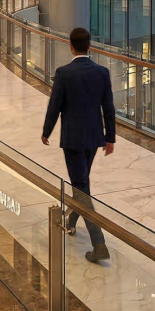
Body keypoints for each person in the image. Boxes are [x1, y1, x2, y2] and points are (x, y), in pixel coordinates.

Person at [42, 27, 116, 264]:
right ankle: (71, 222)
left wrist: (46, 131)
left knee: (81, 188)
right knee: (81, 183)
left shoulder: (64, 73)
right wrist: (110, 137)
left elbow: (55, 106)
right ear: (90, 46)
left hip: (73, 139)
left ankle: (99, 243)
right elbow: (109, 108)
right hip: (94, 138)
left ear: (71, 46)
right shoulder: (101, 72)